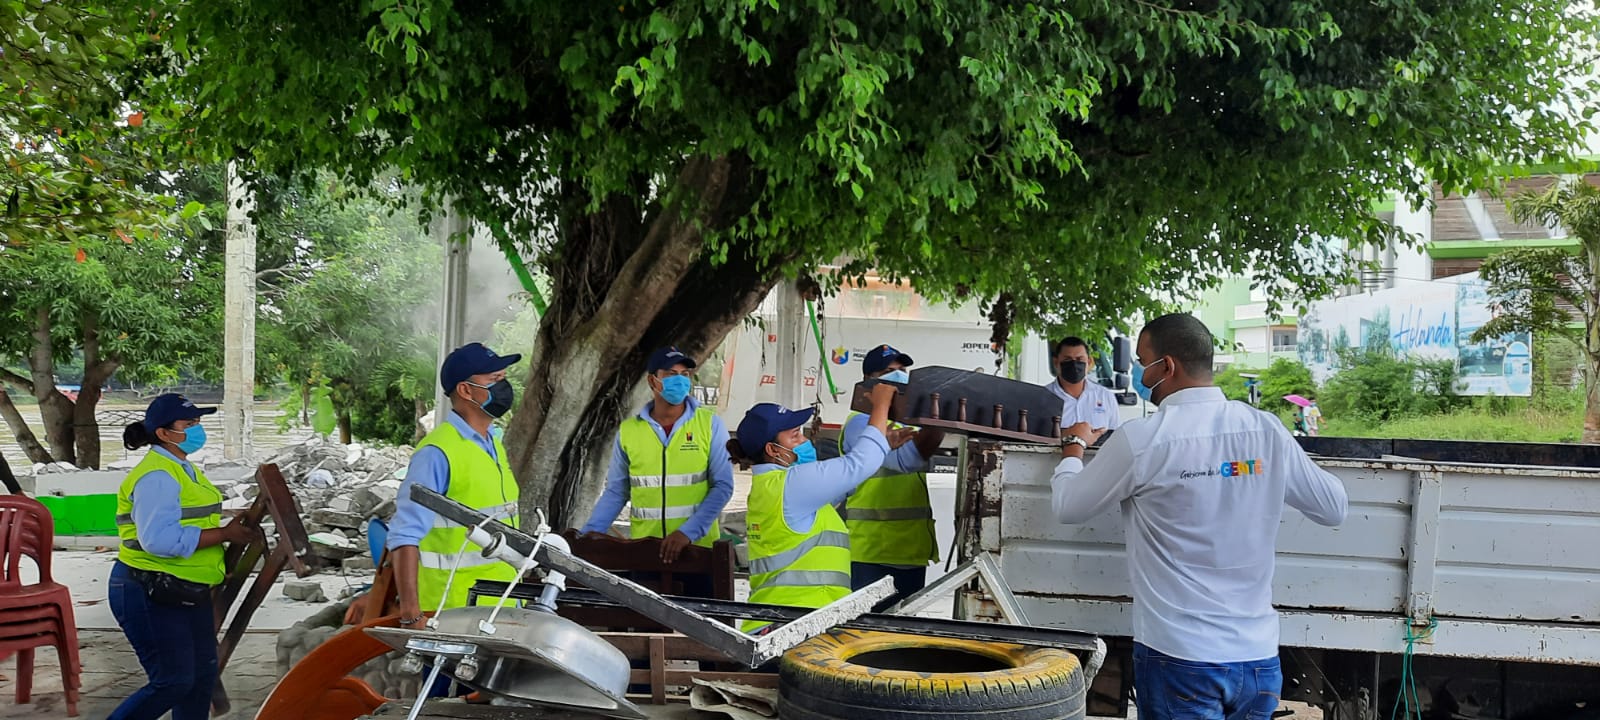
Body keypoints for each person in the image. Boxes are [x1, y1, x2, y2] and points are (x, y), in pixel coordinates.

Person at [1049, 313, 1348, 720]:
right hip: (1258, 660)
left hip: (1181, 660)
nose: (1139, 372)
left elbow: (1069, 507)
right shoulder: (1266, 432)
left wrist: (1072, 453)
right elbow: (1334, 507)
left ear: (1166, 366)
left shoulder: (1145, 439)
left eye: (1142, 361)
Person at [110, 394, 255, 720]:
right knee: (173, 682)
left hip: (184, 589)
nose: (197, 430)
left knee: (201, 679)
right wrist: (224, 535)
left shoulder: (180, 467)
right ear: (163, 433)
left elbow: (186, 516)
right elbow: (158, 539)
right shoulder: (157, 476)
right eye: (188, 425)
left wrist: (229, 515)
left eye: (198, 423)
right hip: (148, 588)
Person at [731, 381, 898, 633]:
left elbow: (846, 483)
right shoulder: (791, 485)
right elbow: (858, 465)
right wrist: (881, 405)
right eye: (795, 435)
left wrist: (883, 443)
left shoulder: (773, 486)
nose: (805, 439)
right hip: (795, 625)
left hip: (785, 622)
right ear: (773, 450)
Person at [389, 342, 523, 626]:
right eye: (494, 380)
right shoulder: (437, 453)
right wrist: (411, 614)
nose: (505, 387)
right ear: (465, 390)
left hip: (500, 605)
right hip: (452, 612)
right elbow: (405, 535)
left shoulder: (493, 443)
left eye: (504, 378)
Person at [579, 346, 735, 571]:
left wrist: (687, 533)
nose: (680, 381)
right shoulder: (629, 431)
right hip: (645, 552)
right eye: (671, 374)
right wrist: (589, 536)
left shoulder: (710, 424)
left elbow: (723, 486)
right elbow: (617, 491)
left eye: (685, 375)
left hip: (697, 551)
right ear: (653, 382)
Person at [841, 344, 945, 609]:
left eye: (902, 371)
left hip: (909, 552)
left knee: (900, 637)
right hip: (872, 554)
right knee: (868, 635)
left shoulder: (906, 425)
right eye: (889, 371)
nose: (898, 377)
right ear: (868, 381)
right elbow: (906, 461)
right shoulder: (859, 423)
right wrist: (937, 422)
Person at [1045, 336, 1121, 443]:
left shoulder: (1106, 397)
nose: (1074, 364)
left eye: (1079, 359)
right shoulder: (1043, 398)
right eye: (1068, 360)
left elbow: (1115, 439)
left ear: (1089, 362)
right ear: (1056, 362)